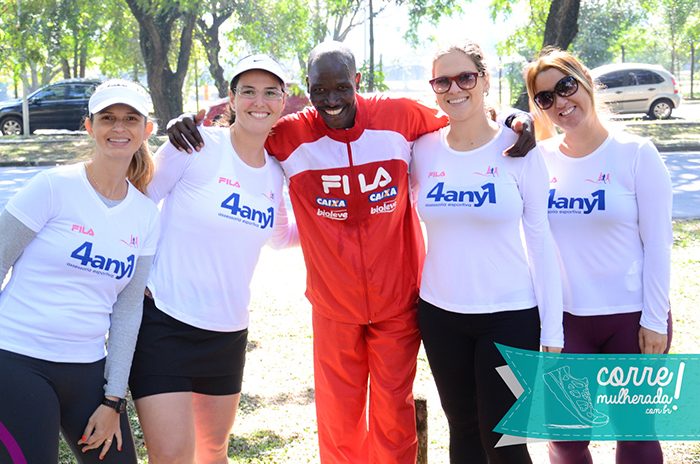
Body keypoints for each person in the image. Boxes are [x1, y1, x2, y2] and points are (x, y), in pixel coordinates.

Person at [166, 41, 535, 464]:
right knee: (339, 422)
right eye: (320, 90)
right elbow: (238, 133)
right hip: (332, 305)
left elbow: (463, 108)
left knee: (394, 416)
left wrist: (513, 116)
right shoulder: (288, 135)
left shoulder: (399, 116)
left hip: (398, 301)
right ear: (307, 88)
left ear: (357, 81)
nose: (332, 100)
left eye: (342, 87)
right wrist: (186, 122)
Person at [127, 54, 298, 464]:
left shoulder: (277, 174)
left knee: (213, 452)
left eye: (270, 92)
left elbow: (282, 237)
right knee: (172, 455)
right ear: (232, 99)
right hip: (164, 323)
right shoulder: (195, 146)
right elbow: (135, 203)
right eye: (249, 91)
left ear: (283, 101)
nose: (260, 101)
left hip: (227, 333)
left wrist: (342, 219)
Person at [409, 39, 563, 464]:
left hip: (511, 315)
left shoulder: (518, 150)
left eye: (465, 77)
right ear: (433, 88)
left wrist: (551, 330)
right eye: (443, 80)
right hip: (440, 315)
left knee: (506, 440)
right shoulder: (422, 150)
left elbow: (540, 240)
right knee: (463, 430)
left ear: (485, 81)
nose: (454, 88)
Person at [524, 48, 673, 464]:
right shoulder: (540, 159)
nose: (560, 102)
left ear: (585, 80)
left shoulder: (636, 153)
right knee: (566, 442)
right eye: (545, 97)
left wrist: (654, 319)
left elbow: (659, 243)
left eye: (565, 86)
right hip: (566, 323)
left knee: (636, 434)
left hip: (630, 321)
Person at [0, 80, 160, 463]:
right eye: (107, 118)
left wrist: (113, 400)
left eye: (129, 119)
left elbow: (127, 310)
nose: (118, 128)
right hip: (17, 360)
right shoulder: (52, 188)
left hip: (87, 371)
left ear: (146, 129)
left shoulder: (145, 215)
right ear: (89, 126)